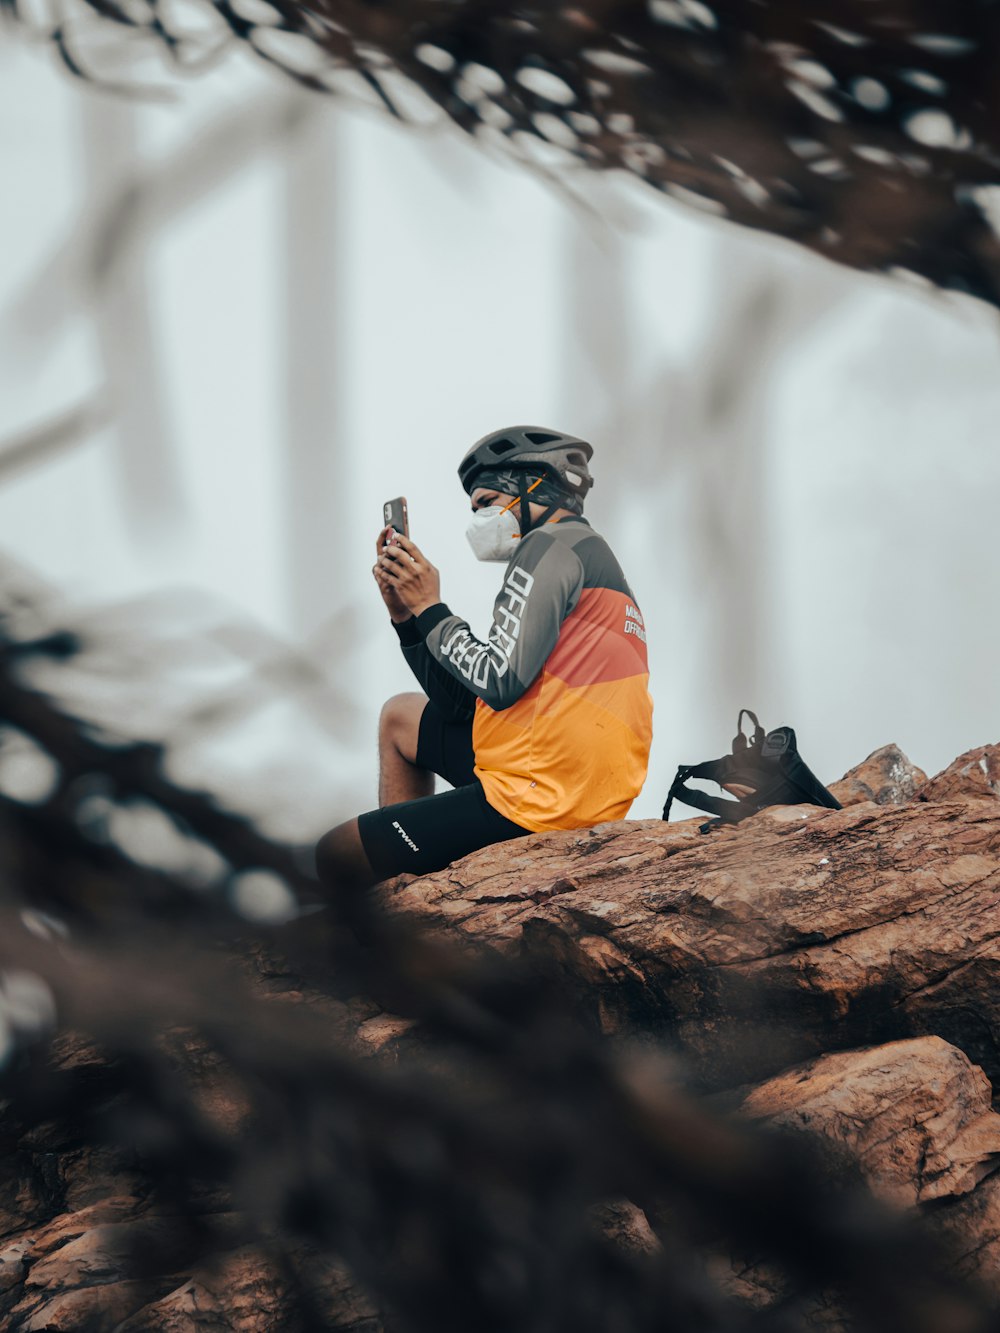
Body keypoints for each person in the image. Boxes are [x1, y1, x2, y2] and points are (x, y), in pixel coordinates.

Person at [314, 426, 653, 898]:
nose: (480, 518)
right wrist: (405, 616)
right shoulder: (585, 554)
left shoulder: (548, 546)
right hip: (565, 774)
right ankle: (411, 883)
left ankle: (396, 919)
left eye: (488, 502)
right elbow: (461, 704)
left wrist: (431, 607)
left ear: (533, 486)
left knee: (336, 853)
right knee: (401, 715)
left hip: (542, 798)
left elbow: (497, 680)